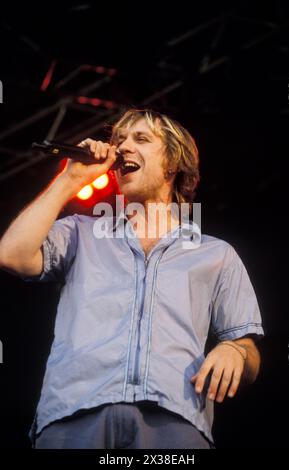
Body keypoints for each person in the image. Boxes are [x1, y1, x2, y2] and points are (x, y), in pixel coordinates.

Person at [0, 109, 264, 449]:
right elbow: (11, 254)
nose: (123, 147)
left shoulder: (215, 254)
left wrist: (236, 351)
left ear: (173, 162)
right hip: (74, 416)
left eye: (141, 139)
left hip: (173, 423)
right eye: (119, 140)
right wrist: (70, 181)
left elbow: (249, 348)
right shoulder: (83, 233)